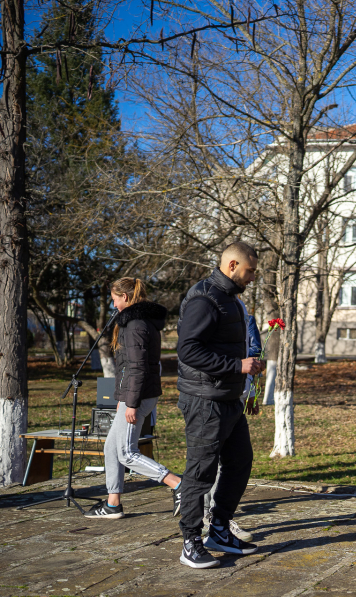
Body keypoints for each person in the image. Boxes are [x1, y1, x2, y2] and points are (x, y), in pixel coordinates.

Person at [176, 242, 264, 569]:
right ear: (231, 266)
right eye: (250, 270)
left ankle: (219, 530)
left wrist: (245, 369)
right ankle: (190, 542)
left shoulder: (230, 299)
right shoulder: (205, 298)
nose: (253, 277)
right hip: (204, 401)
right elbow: (188, 350)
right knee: (200, 472)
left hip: (227, 398)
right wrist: (237, 366)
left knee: (240, 462)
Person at [85, 278, 183, 519]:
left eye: (115, 299)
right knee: (111, 447)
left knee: (127, 453)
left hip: (139, 396)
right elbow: (127, 367)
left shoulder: (136, 324)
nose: (114, 305)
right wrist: (122, 398)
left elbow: (138, 368)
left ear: (125, 298)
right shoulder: (137, 322)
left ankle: (180, 485)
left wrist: (131, 402)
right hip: (133, 395)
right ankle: (113, 504)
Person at [201, 300, 261, 543]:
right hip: (210, 396)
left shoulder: (245, 312)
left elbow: (253, 354)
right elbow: (195, 353)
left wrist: (252, 392)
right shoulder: (209, 305)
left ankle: (219, 520)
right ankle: (206, 517)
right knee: (209, 460)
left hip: (236, 396)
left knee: (237, 460)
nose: (252, 278)